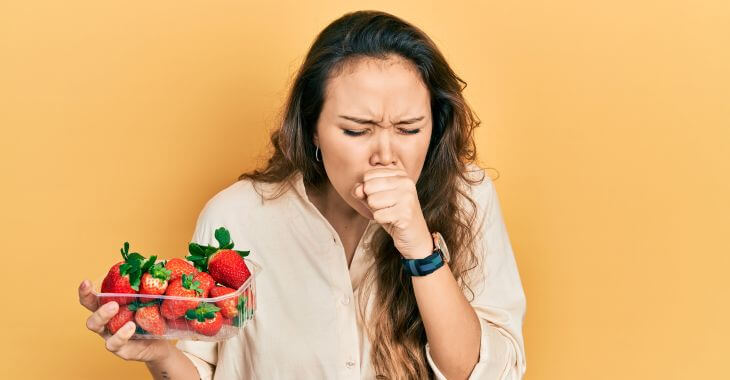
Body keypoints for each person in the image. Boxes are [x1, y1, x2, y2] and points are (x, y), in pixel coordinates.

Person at [78, 9, 526, 380]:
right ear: (312, 126)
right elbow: (202, 367)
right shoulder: (237, 215)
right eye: (356, 130)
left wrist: (419, 249)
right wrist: (158, 354)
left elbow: (486, 372)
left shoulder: (468, 198)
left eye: (410, 129)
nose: (385, 155)